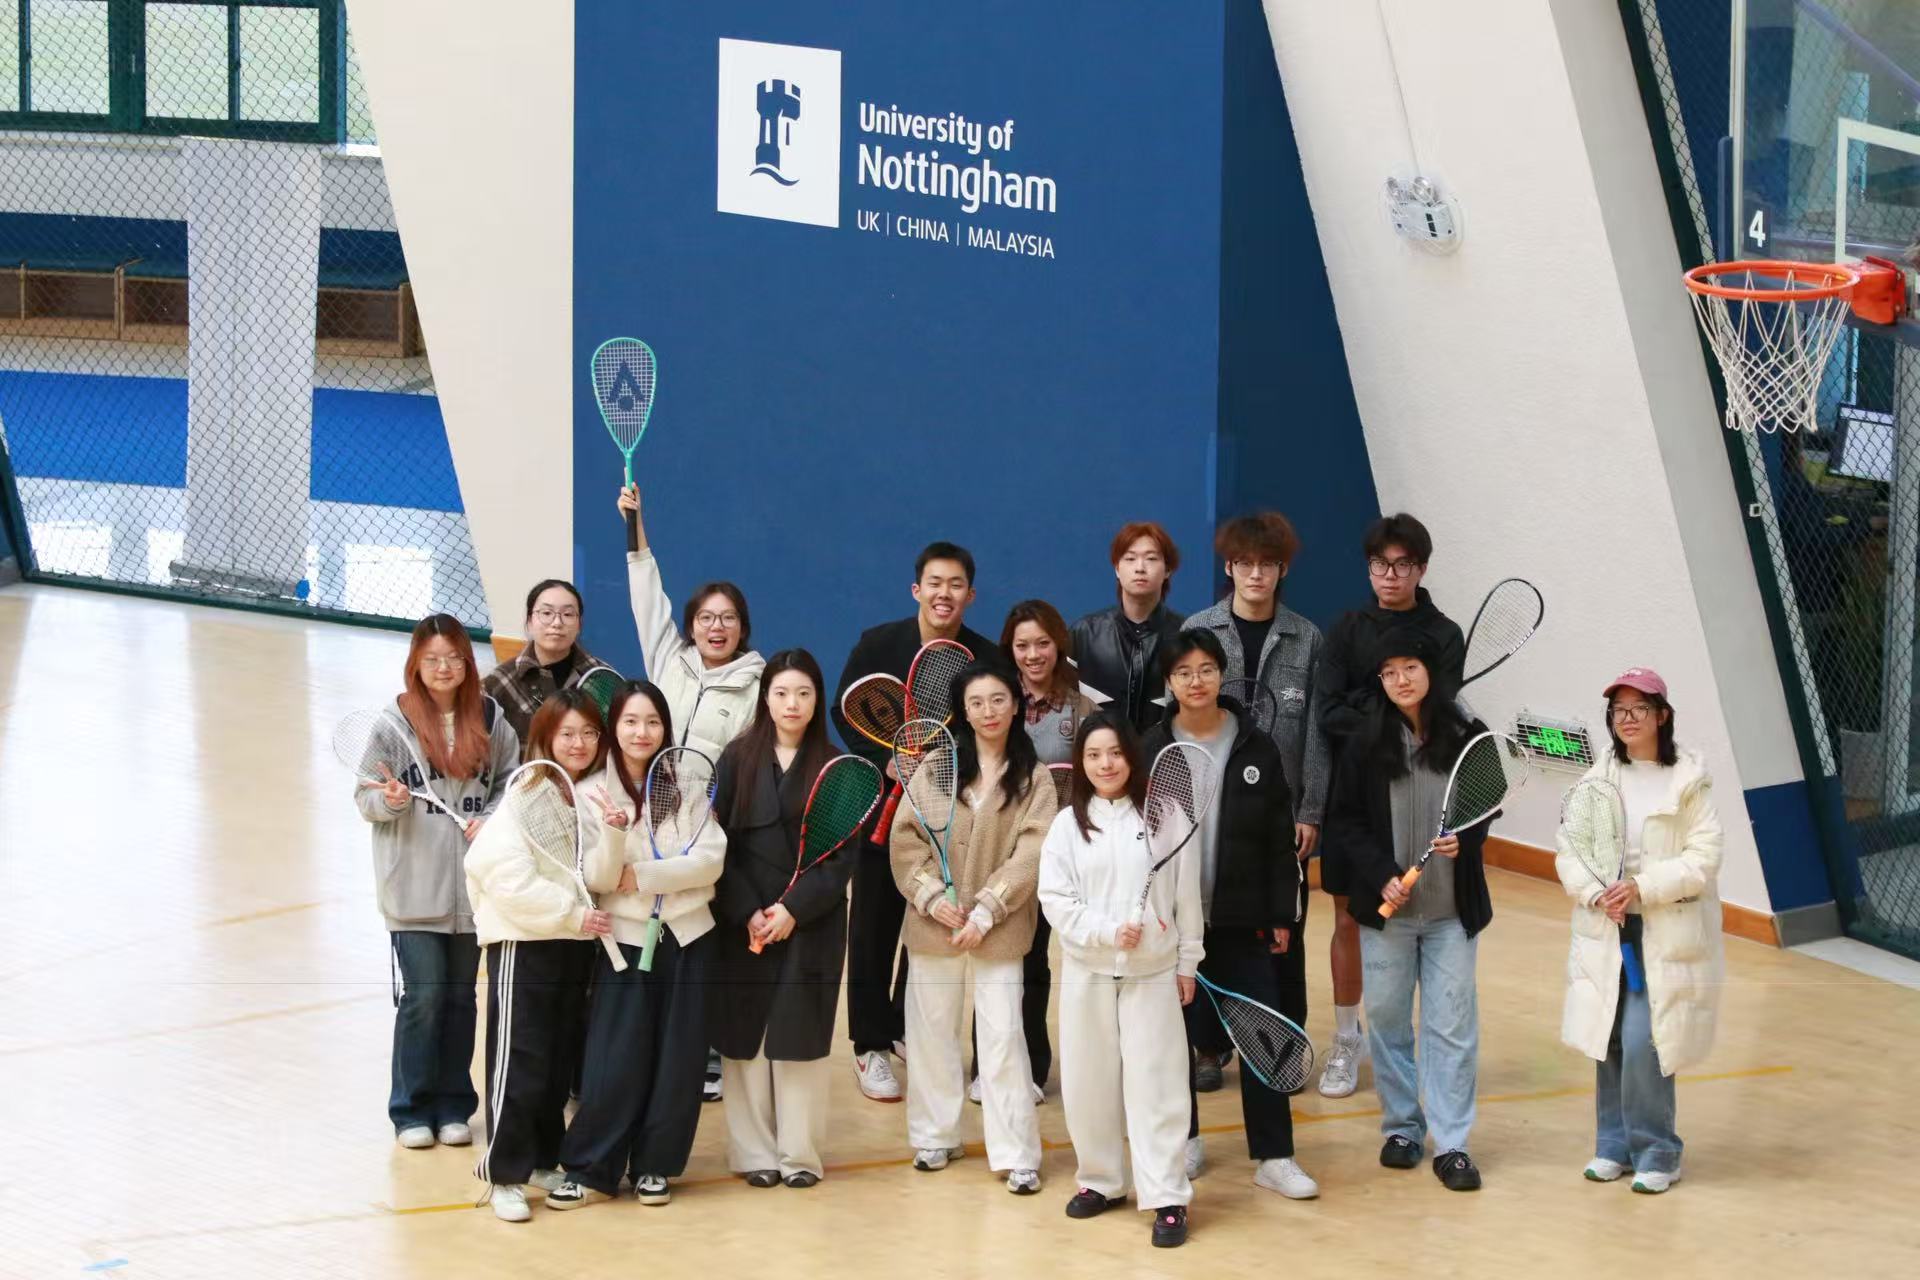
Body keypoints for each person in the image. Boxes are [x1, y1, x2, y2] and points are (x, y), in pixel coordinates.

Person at [545, 682, 727, 1211]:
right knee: (613, 1060)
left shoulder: (687, 786)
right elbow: (598, 876)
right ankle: (588, 1167)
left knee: (679, 1061)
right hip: (623, 943)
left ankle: (655, 1166)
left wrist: (643, 874)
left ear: (664, 729)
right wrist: (616, 833)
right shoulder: (591, 793)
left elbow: (710, 863)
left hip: (689, 938)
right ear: (614, 729)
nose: (641, 732)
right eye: (630, 721)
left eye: (652, 722)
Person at [1144, 630, 1313, 1198]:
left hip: (1244, 921)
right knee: (1173, 1038)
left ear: (1222, 675)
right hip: (1171, 927)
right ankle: (1184, 1139)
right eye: (1184, 671)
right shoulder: (1147, 748)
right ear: (1169, 682)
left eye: (1206, 669)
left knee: (1262, 1034)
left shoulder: (1256, 746)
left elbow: (1276, 840)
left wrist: (1282, 917)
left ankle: (1274, 1154)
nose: (1196, 681)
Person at [1323, 630, 1491, 1193]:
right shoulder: (1365, 741)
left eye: (1410, 667)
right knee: (1390, 1021)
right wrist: (1381, 876)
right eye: (1389, 671)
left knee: (1451, 1027)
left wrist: (1466, 838)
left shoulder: (1469, 735)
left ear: (1430, 672)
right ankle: (1401, 1128)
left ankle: (1452, 1143)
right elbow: (1345, 822)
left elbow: (1485, 804)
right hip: (1389, 914)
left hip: (1450, 913)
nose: (1401, 679)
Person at [831, 542, 996, 1101]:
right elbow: (845, 711)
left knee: (927, 926)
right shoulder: (878, 644)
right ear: (916, 590)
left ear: (970, 595)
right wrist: (888, 759)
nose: (944, 593)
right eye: (934, 582)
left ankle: (901, 1024)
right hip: (884, 807)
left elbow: (985, 728)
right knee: (873, 927)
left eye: (956, 585)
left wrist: (944, 765)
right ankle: (868, 1045)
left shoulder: (983, 657)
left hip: (947, 817)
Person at [620, 482, 766, 1102]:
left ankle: (705, 1051)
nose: (716, 627)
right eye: (706, 617)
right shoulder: (666, 662)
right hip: (648, 820)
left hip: (708, 829)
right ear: (691, 625)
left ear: (742, 629)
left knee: (703, 935)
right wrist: (634, 522)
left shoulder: (756, 685)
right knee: (645, 927)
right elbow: (644, 590)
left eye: (727, 619)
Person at [1555, 669, 1724, 1195]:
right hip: (1607, 927)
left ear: (1662, 716)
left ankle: (1658, 1150)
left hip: (1663, 930)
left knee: (1644, 1038)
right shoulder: (1596, 777)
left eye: (1637, 710)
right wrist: (1594, 893)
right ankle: (1613, 1146)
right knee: (1608, 1038)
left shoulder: (1689, 781)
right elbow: (1570, 848)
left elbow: (1704, 858)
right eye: (1617, 711)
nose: (1626, 720)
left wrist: (1643, 888)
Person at [890, 658, 1056, 1193]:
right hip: (933, 923)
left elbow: (1034, 848)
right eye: (976, 702)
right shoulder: (936, 766)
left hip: (999, 928)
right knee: (930, 1031)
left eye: (999, 700)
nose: (989, 711)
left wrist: (989, 907)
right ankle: (935, 1135)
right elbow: (906, 839)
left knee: (1004, 1035)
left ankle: (1016, 1153)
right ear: (962, 711)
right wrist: (930, 897)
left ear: (1017, 704)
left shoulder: (1036, 778)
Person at [1315, 513, 1465, 1099]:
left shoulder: (1445, 634)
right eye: (1380, 565)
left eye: (1403, 565)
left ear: (1421, 569)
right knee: (1350, 917)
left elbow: (1439, 714)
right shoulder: (1348, 628)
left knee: (1430, 922)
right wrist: (1382, 713)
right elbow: (1328, 714)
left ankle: (1419, 1048)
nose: (1390, 575)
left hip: (1426, 797)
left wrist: (1370, 708)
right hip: (1358, 797)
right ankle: (1348, 1039)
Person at [357, 614, 520, 1152]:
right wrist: (390, 800)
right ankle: (410, 1109)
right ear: (416, 665)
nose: (444, 668)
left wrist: (491, 819)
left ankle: (454, 1105)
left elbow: (510, 787)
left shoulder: (492, 718)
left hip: (474, 890)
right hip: (414, 891)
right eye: (432, 659)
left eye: (453, 657)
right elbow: (366, 797)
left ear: (467, 664)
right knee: (424, 997)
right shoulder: (394, 723)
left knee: (460, 1000)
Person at [1041, 712, 1202, 1249]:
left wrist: (1187, 961)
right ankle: (1101, 1180)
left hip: (1152, 974)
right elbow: (1055, 900)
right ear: (1082, 764)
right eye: (1093, 755)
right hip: (1087, 971)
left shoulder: (1165, 815)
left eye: (1113, 752)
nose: (1104, 764)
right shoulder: (1067, 825)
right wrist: (1106, 931)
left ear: (1130, 756)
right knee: (1088, 1083)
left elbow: (1185, 896)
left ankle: (1167, 1196)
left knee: (1156, 1087)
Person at [1182, 513, 1327, 1092]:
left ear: (1282, 569)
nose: (1256, 574)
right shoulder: (1200, 630)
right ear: (1229, 567)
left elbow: (1316, 732)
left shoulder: (1307, 637)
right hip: (1211, 817)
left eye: (1268, 564)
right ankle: (1209, 1045)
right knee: (1211, 930)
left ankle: (1281, 1043)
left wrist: (1310, 810)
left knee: (1283, 932)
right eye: (1245, 563)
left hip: (1282, 823)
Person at [464, 690, 614, 1222]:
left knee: (554, 1065)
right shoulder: (528, 790)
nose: (578, 743)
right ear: (546, 738)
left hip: (572, 946)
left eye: (589, 733)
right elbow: (501, 875)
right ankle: (502, 1172)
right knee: (519, 1061)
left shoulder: (586, 794)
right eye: (567, 733)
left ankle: (541, 1158)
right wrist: (571, 915)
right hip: (523, 944)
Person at [709, 651, 853, 1187]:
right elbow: (716, 844)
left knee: (800, 1039)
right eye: (781, 693)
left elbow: (840, 858)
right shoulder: (736, 759)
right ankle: (754, 1155)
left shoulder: (836, 767)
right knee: (744, 1037)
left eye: (804, 694)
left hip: (810, 922)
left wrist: (793, 909)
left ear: (818, 701)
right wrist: (747, 911)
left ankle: (799, 1156)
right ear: (764, 698)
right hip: (742, 919)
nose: (792, 704)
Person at [963, 599, 1095, 1105]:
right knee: (995, 959)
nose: (1033, 654)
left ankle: (1033, 1070)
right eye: (1022, 645)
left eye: (1042, 643)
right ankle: (985, 1067)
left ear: (1058, 644)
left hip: (1056, 857)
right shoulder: (997, 701)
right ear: (1009, 649)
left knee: (1035, 962)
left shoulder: (1081, 709)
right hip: (997, 854)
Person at [1071, 522, 1186, 732]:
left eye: (1151, 558)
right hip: (1101, 760)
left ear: (1168, 569)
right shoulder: (1084, 633)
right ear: (1117, 568)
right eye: (1130, 558)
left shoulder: (1185, 635)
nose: (1140, 567)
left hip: (1164, 759)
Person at [484, 579, 613, 744]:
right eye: (546, 613)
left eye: (567, 614)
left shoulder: (603, 677)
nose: (557, 623)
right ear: (529, 621)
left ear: (579, 624)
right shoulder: (499, 683)